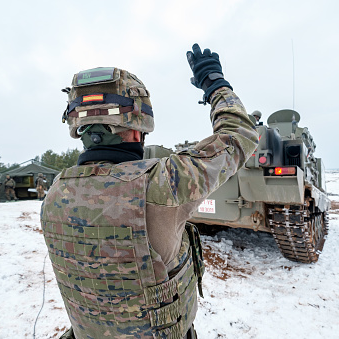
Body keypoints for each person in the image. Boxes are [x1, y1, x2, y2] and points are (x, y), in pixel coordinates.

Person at [40, 43, 259, 339]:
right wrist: (215, 84)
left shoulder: (54, 194)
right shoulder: (163, 182)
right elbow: (239, 135)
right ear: (138, 125)